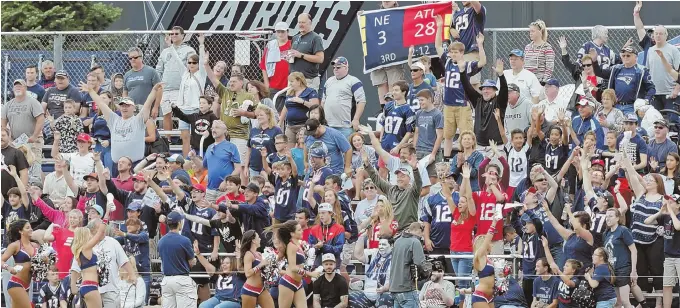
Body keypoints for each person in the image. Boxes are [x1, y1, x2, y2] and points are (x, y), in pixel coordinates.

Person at [82, 81, 160, 177]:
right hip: (117, 165)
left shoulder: (138, 120)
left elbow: (148, 104)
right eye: (122, 105)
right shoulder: (113, 119)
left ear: (134, 108)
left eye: (127, 105)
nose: (124, 108)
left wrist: (154, 90)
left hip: (135, 164)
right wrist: (91, 91)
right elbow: (101, 103)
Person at [633, 2, 680, 122]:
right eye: (656, 33)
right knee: (653, 121)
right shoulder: (649, 49)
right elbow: (639, 28)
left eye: (661, 33)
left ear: (666, 35)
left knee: (673, 120)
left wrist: (676, 89)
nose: (658, 36)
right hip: (654, 94)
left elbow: (677, 71)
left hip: (670, 94)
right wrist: (636, 14)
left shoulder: (673, 50)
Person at [461, 59, 508, 155]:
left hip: (496, 146)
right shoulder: (477, 100)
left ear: (495, 91)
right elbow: (467, 87)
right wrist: (462, 72)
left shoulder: (499, 102)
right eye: (484, 89)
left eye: (489, 89)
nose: (486, 91)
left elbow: (504, 90)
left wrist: (501, 75)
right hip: (479, 146)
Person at [591, 46, 655, 116]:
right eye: (623, 55)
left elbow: (651, 88)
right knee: (614, 126)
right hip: (616, 106)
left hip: (632, 107)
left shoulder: (641, 70)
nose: (625, 57)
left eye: (628, 55)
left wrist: (646, 101)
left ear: (636, 57)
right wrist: (594, 61)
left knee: (630, 126)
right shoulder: (616, 69)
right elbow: (599, 73)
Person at [156, 26, 197, 134]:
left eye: (176, 34)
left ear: (183, 36)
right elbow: (159, 69)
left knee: (182, 114)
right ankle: (168, 140)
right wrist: (160, 84)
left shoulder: (189, 50)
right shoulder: (165, 51)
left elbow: (192, 68)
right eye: (172, 34)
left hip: (181, 89)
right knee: (166, 114)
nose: (173, 35)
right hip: (166, 89)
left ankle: (182, 139)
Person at [604, 208, 646, 308]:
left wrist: (633, 270)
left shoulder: (623, 230)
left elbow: (634, 250)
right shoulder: (606, 233)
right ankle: (644, 304)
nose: (607, 218)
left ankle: (644, 304)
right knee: (617, 303)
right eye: (606, 216)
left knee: (624, 300)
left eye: (610, 216)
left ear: (617, 218)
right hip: (613, 270)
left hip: (623, 268)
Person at [645, 194, 680, 308]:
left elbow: (678, 226)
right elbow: (647, 221)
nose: (668, 203)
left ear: (678, 205)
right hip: (668, 256)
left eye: (671, 202)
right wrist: (660, 212)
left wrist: (669, 210)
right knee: (667, 285)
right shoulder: (665, 216)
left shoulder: (677, 217)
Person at [158, 211, 198, 307]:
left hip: (166, 280)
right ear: (179, 223)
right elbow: (191, 262)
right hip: (182, 279)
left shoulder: (161, 241)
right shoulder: (184, 240)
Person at [322, 56, 366, 137]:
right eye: (334, 67)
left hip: (345, 125)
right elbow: (323, 101)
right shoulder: (329, 81)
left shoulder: (354, 81)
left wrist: (356, 119)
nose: (335, 69)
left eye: (338, 67)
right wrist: (321, 118)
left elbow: (361, 101)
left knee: (346, 148)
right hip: (328, 124)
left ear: (346, 67)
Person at [1, 219, 41, 308]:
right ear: (20, 231)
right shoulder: (15, 245)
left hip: (27, 285)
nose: (31, 229)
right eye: (27, 228)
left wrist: (45, 260)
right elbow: (1, 260)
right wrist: (9, 268)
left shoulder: (35, 245)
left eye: (30, 227)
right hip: (15, 284)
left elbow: (41, 263)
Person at [70, 220, 107, 308]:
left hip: (86, 286)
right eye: (89, 234)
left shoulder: (80, 252)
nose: (91, 235)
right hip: (91, 286)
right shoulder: (86, 248)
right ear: (85, 236)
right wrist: (106, 215)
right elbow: (99, 234)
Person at [450, 0, 487, 89]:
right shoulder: (458, 13)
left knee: (472, 84)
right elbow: (451, 26)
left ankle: (480, 102)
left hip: (471, 51)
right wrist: (451, 29)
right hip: (459, 54)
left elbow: (478, 7)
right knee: (459, 84)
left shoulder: (476, 10)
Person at [204, 120, 242, 203]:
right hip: (210, 190)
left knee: (224, 214)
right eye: (212, 128)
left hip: (225, 190)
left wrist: (226, 181)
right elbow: (203, 166)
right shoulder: (209, 147)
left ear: (225, 131)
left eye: (217, 127)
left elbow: (238, 168)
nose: (213, 130)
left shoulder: (231, 146)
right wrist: (193, 158)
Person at [389, 222, 426, 308]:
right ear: (418, 230)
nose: (422, 236)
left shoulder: (397, 241)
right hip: (406, 288)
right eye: (422, 233)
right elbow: (420, 263)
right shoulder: (415, 241)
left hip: (394, 288)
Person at [279, 72, 320, 146]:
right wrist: (280, 122)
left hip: (303, 125)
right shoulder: (290, 93)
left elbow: (316, 107)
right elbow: (285, 108)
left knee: (303, 147)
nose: (290, 84)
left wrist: (302, 101)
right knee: (289, 149)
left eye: (292, 81)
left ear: (299, 81)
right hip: (290, 126)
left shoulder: (310, 91)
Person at [2, 79, 45, 148]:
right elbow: (3, 123)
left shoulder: (33, 102)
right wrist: (8, 138)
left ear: (25, 88)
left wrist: (34, 136)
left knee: (33, 159)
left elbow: (41, 119)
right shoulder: (8, 105)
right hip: (15, 142)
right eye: (16, 86)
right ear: (13, 89)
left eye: (20, 86)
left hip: (31, 141)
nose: (18, 88)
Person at [471, 214, 501, 307]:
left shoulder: (489, 260)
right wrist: (494, 223)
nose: (491, 244)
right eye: (489, 243)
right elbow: (488, 238)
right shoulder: (480, 257)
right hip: (480, 295)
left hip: (491, 296)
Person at [413, 89, 444, 181]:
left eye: (422, 100)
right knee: (418, 179)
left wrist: (433, 154)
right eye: (419, 100)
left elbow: (439, 136)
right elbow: (417, 132)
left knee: (433, 179)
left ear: (429, 99)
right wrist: (415, 148)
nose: (420, 102)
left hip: (431, 151)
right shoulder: (419, 113)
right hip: (419, 151)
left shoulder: (437, 114)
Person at [289, 13, 324, 91]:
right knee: (291, 103)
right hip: (293, 80)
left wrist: (301, 55)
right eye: (299, 22)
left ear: (310, 23)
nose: (301, 25)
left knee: (308, 103)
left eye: (303, 22)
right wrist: (288, 57)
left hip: (308, 80)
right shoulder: (295, 38)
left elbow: (320, 59)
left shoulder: (315, 38)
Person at [240, 230, 275, 308]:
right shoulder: (248, 254)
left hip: (262, 289)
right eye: (258, 237)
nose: (260, 239)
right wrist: (260, 265)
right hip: (250, 290)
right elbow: (248, 273)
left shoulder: (259, 254)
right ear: (253, 240)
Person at [123, 47, 162, 114]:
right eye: (130, 58)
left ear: (141, 57)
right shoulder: (127, 74)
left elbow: (159, 89)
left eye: (135, 57)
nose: (132, 60)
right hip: (132, 111)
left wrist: (156, 107)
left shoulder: (151, 71)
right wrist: (126, 106)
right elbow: (125, 92)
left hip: (147, 110)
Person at [261, 21, 292, 96]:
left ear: (287, 32)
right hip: (273, 85)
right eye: (278, 32)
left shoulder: (292, 44)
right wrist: (266, 83)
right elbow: (263, 65)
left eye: (283, 32)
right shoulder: (270, 45)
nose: (280, 34)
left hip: (289, 84)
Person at [524, 19, 555, 84]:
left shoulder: (547, 48)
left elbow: (549, 67)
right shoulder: (527, 47)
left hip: (539, 82)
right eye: (530, 31)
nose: (530, 33)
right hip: (527, 81)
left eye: (533, 31)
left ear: (540, 31)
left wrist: (544, 81)